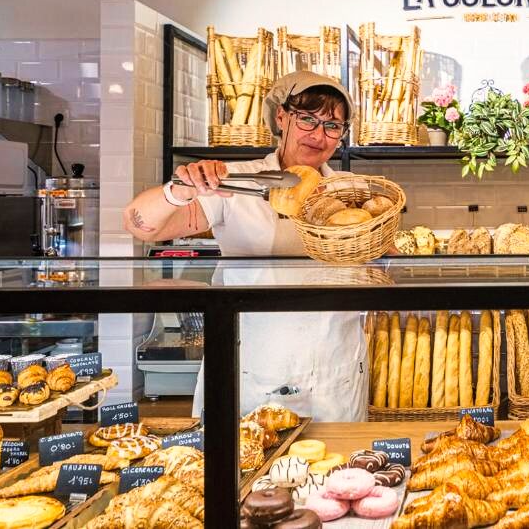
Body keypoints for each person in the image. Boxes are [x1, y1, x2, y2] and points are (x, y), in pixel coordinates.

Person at [124, 70, 367, 420]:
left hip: (334, 370)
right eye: (307, 119)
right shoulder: (237, 181)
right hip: (253, 368)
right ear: (281, 117)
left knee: (339, 457)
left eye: (332, 126)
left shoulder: (352, 191)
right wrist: (179, 190)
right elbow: (143, 227)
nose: (319, 135)